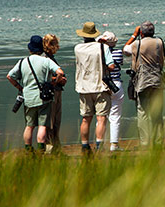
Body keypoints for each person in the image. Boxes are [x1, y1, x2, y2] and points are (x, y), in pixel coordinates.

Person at [7, 35, 64, 152]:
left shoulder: (23, 62)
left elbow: (10, 76)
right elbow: (60, 72)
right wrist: (53, 83)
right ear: (41, 48)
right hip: (43, 98)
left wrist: (20, 87)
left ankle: (28, 150)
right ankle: (41, 149)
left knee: (29, 126)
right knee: (42, 126)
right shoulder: (46, 61)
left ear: (30, 49)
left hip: (28, 98)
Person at [123, 21, 165, 147]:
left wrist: (133, 35)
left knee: (142, 111)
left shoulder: (137, 44)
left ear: (141, 32)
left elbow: (125, 50)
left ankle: (145, 142)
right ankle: (158, 141)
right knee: (157, 112)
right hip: (157, 80)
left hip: (142, 81)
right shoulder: (159, 42)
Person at [74, 22, 115, 154]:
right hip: (100, 86)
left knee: (86, 118)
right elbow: (111, 66)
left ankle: (85, 146)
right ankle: (99, 145)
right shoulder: (102, 47)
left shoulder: (77, 48)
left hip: (83, 87)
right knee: (101, 118)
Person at [97, 31, 124, 152]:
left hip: (102, 84)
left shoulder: (97, 53)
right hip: (116, 84)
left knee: (101, 116)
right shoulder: (118, 52)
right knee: (115, 116)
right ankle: (114, 144)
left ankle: (99, 143)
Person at [42, 34, 67, 154]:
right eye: (56, 44)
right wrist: (58, 80)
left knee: (56, 121)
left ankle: (56, 146)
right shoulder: (45, 58)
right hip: (51, 92)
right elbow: (44, 77)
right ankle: (51, 147)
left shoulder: (50, 57)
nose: (58, 46)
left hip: (56, 91)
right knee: (51, 121)